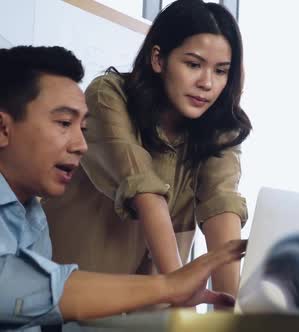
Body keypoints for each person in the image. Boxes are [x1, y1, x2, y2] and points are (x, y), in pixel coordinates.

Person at [0, 45, 246, 331]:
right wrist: (169, 285)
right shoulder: (110, 96)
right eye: (64, 123)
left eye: (83, 128)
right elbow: (14, 289)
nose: (81, 145)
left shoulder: (32, 218)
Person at [42, 0, 251, 297]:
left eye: (220, 71)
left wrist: (232, 314)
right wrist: (178, 289)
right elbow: (144, 192)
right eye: (193, 65)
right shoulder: (108, 95)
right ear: (158, 59)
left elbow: (222, 206)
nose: (207, 83)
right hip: (70, 301)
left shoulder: (219, 128)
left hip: (148, 313)